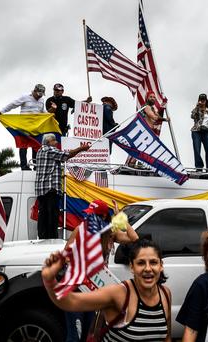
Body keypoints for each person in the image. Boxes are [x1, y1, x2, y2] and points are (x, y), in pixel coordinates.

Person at [42, 239, 172, 342]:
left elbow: (166, 338)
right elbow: (70, 301)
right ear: (132, 267)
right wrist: (49, 280)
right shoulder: (119, 294)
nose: (148, 268)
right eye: (141, 263)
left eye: (153, 262)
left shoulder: (165, 295)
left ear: (161, 266)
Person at [64, 199, 139, 342]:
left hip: (95, 290)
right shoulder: (81, 229)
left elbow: (134, 238)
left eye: (93, 215)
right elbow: (66, 255)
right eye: (89, 214)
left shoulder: (110, 233)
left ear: (103, 217)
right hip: (76, 288)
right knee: (75, 335)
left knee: (90, 334)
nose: (89, 218)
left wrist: (120, 218)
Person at [35, 134, 90, 239]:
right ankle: (51, 240)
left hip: (41, 190)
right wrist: (81, 148)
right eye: (54, 141)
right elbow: (67, 155)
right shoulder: (49, 150)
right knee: (52, 217)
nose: (56, 143)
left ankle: (42, 238)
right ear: (49, 142)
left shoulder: (39, 151)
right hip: (50, 189)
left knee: (43, 216)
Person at [0, 83, 47, 170]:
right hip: (24, 126)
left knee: (36, 145)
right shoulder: (25, 97)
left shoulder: (42, 100)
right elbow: (13, 104)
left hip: (35, 127)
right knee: (23, 145)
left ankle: (36, 165)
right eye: (38, 95)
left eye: (41, 95)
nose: (39, 97)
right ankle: (24, 166)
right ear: (34, 91)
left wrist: (49, 114)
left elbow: (42, 111)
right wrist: (2, 111)